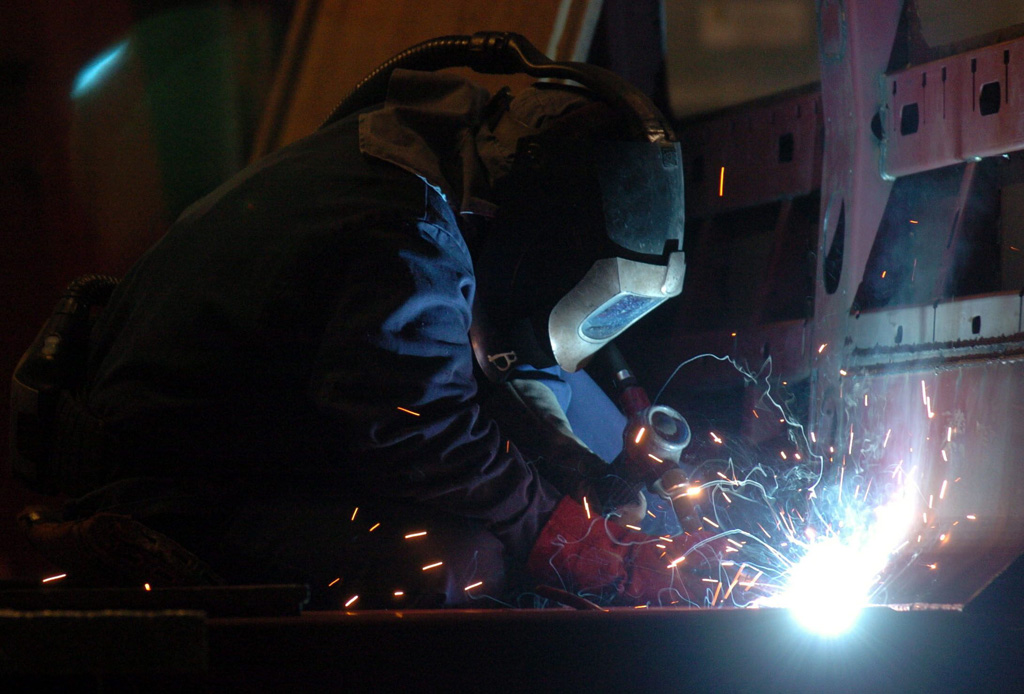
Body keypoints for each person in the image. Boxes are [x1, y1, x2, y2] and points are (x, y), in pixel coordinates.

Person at [18, 46, 718, 608]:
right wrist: (564, 539)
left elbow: (452, 385)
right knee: (461, 562)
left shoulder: (423, 164)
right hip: (171, 494)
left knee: (511, 510)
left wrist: (586, 482)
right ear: (532, 236)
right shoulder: (407, 232)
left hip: (235, 455)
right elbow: (421, 429)